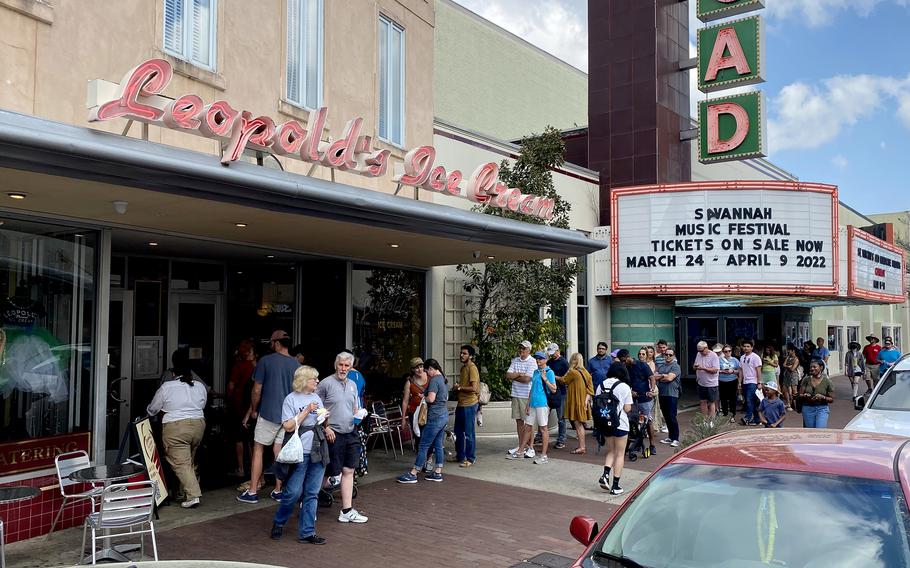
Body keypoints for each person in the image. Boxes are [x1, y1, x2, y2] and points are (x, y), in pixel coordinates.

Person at [238, 330, 299, 504]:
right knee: (278, 451)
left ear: (277, 343)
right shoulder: (296, 365)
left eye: (272, 343)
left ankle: (252, 492)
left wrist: (254, 410)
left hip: (269, 413)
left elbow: (257, 389)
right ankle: (278, 490)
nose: (271, 346)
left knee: (258, 449)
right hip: (287, 416)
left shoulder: (266, 361)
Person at [270, 366, 327, 545]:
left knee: (312, 493)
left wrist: (325, 418)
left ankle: (307, 532)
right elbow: (287, 426)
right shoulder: (291, 399)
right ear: (304, 380)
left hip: (317, 450)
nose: (317, 382)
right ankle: (279, 521)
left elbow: (322, 419)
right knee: (293, 492)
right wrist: (305, 411)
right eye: (314, 379)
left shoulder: (316, 397)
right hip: (299, 452)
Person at [147, 349, 208, 509]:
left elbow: (153, 409)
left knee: (181, 463)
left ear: (173, 372)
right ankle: (183, 492)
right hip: (198, 425)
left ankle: (193, 495)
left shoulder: (167, 386)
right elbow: (202, 404)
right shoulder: (200, 386)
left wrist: (151, 411)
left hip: (176, 427)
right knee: (190, 460)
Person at [318, 352, 368, 523]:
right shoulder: (325, 384)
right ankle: (307, 503)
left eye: (347, 366)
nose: (344, 369)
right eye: (341, 365)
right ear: (335, 364)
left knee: (349, 471)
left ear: (351, 367)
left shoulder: (353, 384)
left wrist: (359, 413)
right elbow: (316, 407)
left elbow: (354, 407)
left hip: (350, 431)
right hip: (333, 433)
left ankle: (346, 510)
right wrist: (326, 427)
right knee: (326, 472)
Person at [397, 359, 449, 483]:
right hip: (443, 415)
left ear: (431, 368)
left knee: (423, 445)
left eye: (426, 370)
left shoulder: (434, 380)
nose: (426, 373)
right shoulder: (443, 378)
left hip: (434, 417)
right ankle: (438, 472)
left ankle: (414, 473)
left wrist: (423, 397)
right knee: (438, 445)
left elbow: (431, 399)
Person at [508, 351, 555, 464]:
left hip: (542, 404)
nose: (538, 360)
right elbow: (532, 389)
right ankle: (520, 451)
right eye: (537, 358)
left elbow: (554, 389)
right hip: (533, 403)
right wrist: (528, 404)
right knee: (528, 427)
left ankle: (544, 455)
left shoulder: (549, 372)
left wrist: (545, 379)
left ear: (546, 360)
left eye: (541, 358)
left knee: (543, 428)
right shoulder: (535, 372)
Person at [596, 372, 633, 495]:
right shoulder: (624, 386)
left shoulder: (601, 385)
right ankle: (615, 485)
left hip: (605, 422)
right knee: (620, 454)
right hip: (620, 423)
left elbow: (597, 402)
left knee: (611, 451)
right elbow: (627, 409)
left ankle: (605, 475)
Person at [226, 339, 256, 478]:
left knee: (238, 438)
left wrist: (228, 398)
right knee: (252, 439)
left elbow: (231, 385)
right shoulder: (257, 367)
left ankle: (240, 468)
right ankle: (253, 468)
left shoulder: (239, 366)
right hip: (253, 406)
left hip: (239, 405)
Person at [506, 340, 536, 459]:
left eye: (524, 349)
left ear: (529, 350)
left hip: (526, 396)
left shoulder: (533, 361)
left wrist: (515, 376)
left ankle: (531, 448)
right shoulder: (515, 360)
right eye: (520, 348)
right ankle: (521, 446)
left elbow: (527, 379)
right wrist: (519, 374)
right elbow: (508, 375)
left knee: (529, 423)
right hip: (516, 394)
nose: (521, 351)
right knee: (519, 421)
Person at [623, 348, 656, 456]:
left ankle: (652, 445)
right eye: (640, 353)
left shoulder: (644, 365)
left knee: (648, 421)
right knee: (632, 421)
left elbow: (652, 378)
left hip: (644, 398)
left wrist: (651, 390)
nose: (641, 355)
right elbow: (626, 380)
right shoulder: (628, 366)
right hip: (633, 398)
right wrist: (630, 391)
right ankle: (633, 444)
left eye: (643, 354)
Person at [560, 353, 594, 454]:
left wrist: (554, 376)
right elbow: (591, 390)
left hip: (575, 401)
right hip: (583, 402)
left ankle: (582, 447)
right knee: (580, 425)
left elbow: (563, 380)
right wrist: (586, 401)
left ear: (573, 360)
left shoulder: (573, 372)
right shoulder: (586, 372)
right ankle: (581, 446)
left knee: (578, 425)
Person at [454, 345, 479, 467]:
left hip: (470, 404)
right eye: (461, 353)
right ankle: (460, 456)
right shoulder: (463, 368)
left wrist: (459, 387)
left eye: (464, 353)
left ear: (471, 356)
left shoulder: (472, 368)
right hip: (461, 403)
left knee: (469, 433)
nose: (461, 355)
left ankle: (470, 458)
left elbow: (474, 388)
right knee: (458, 432)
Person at [654, 348, 681, 448]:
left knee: (672, 416)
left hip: (672, 394)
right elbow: (654, 377)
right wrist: (663, 377)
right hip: (662, 394)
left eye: (670, 355)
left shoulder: (675, 366)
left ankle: (676, 438)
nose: (668, 356)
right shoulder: (662, 366)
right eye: (666, 354)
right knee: (666, 416)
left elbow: (670, 378)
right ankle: (670, 436)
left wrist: (661, 377)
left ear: (673, 356)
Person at [546, 343, 570, 450]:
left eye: (553, 353)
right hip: (550, 392)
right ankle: (540, 436)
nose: (552, 355)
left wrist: (553, 377)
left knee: (561, 418)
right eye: (551, 354)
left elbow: (567, 378)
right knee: (544, 415)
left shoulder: (564, 362)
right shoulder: (549, 362)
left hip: (561, 392)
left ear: (558, 351)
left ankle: (561, 439)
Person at [798, 360, 834, 428]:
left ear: (821, 367)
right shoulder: (806, 379)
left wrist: (823, 397)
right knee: (810, 432)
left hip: (822, 408)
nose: (812, 368)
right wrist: (805, 395)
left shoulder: (827, 381)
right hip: (807, 408)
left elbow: (832, 399)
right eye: (811, 367)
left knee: (820, 430)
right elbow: (800, 394)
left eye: (814, 367)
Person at [693, 341, 719, 425]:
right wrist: (695, 367)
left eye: (701, 351)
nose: (700, 352)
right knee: (702, 401)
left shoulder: (713, 356)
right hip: (701, 382)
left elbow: (715, 370)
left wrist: (703, 368)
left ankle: (712, 421)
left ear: (706, 348)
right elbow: (694, 366)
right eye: (699, 351)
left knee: (711, 402)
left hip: (711, 383)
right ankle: (704, 420)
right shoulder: (698, 354)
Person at [739, 340, 763, 426]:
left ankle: (747, 418)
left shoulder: (755, 357)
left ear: (752, 348)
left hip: (753, 382)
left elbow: (758, 370)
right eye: (744, 346)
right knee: (751, 401)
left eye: (748, 346)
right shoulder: (742, 357)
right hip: (745, 382)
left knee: (749, 400)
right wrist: (739, 382)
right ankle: (757, 419)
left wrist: (759, 382)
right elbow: (741, 370)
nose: (746, 348)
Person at [717, 344, 740, 422]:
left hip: (732, 380)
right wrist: (723, 371)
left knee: (732, 398)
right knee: (723, 398)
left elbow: (739, 371)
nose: (728, 353)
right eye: (726, 351)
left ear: (731, 351)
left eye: (729, 351)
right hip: (722, 381)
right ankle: (725, 414)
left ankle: (732, 415)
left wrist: (733, 371)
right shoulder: (719, 360)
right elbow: (716, 370)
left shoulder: (735, 360)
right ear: (723, 352)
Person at [780, 344, 800, 410]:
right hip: (787, 375)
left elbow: (792, 369)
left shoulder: (796, 359)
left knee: (794, 391)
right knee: (784, 389)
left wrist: (788, 366)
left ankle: (796, 404)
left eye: (789, 351)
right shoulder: (788, 357)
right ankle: (788, 403)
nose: (788, 352)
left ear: (793, 351)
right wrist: (788, 366)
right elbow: (783, 365)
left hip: (793, 376)